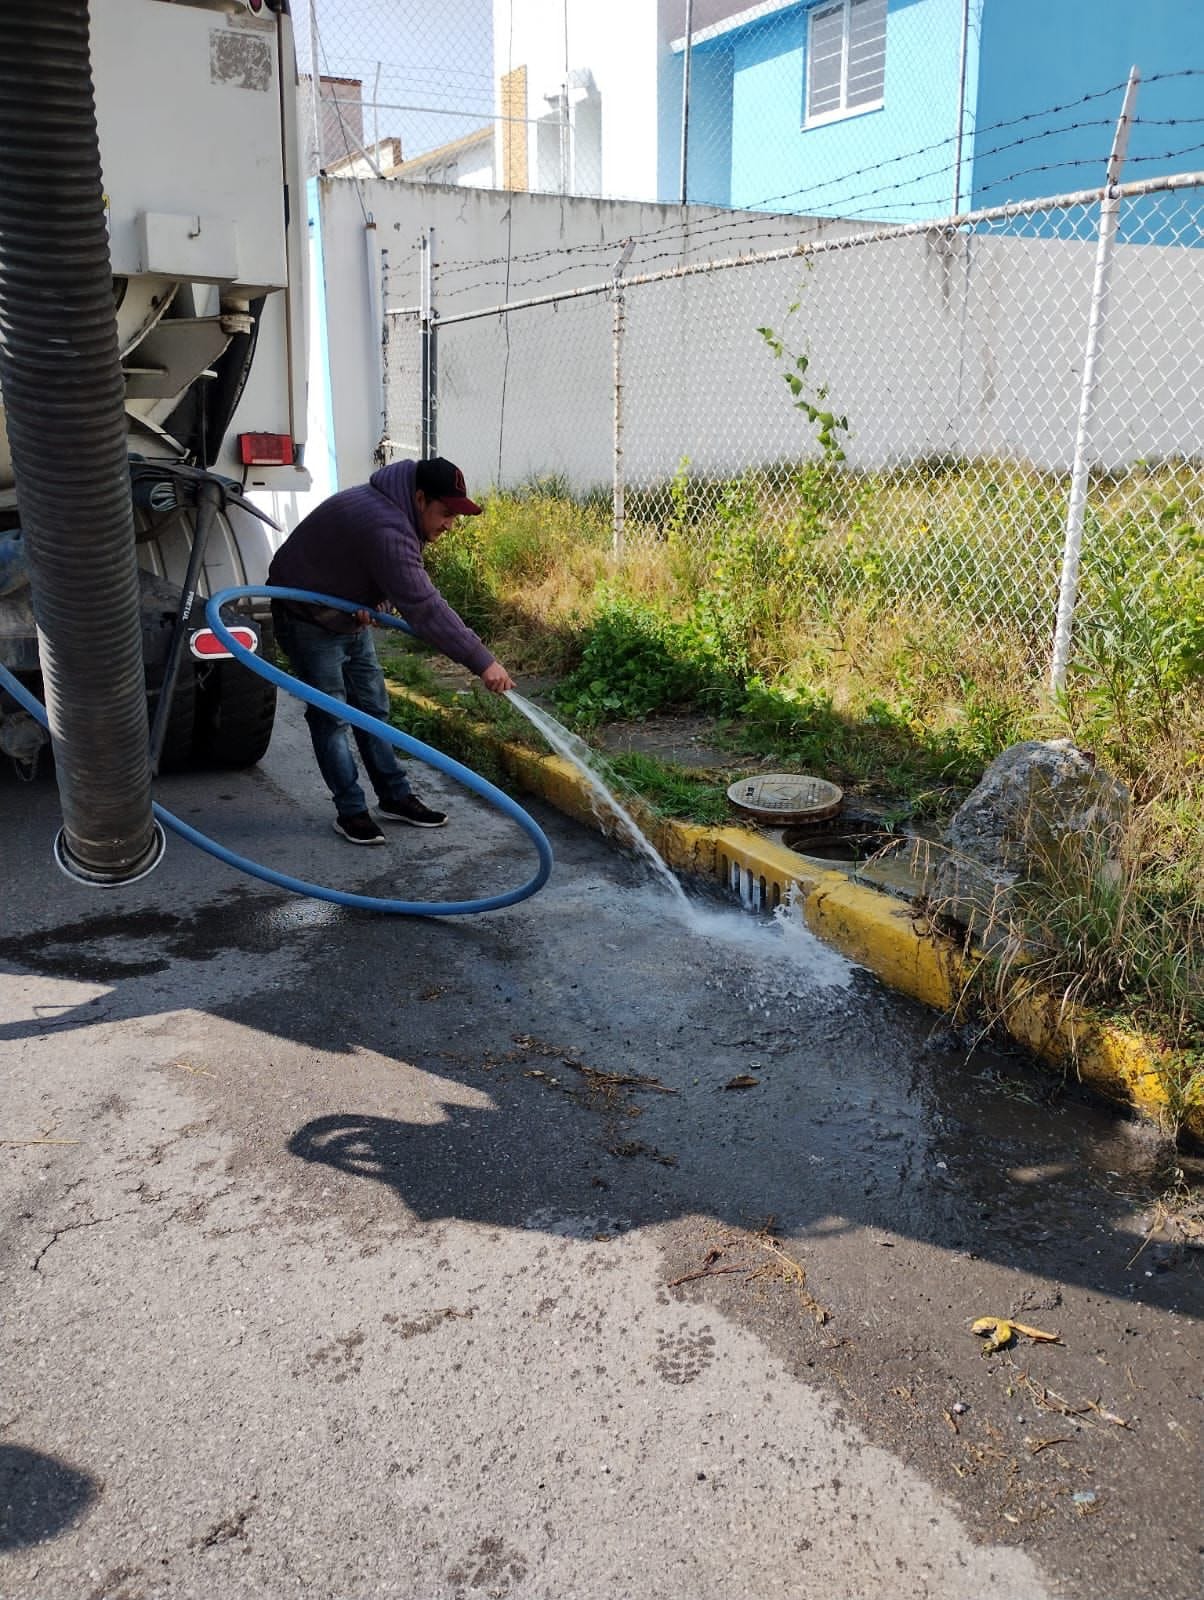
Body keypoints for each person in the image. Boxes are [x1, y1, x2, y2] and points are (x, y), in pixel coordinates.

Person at [267, 456, 514, 845]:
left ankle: (394, 797)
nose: (450, 524)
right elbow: (425, 607)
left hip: (345, 612)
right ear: (419, 499)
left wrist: (373, 600)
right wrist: (483, 662)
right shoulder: (386, 525)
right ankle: (351, 811)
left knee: (373, 708)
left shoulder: (396, 511)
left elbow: (380, 573)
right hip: (307, 616)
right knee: (332, 716)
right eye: (445, 513)